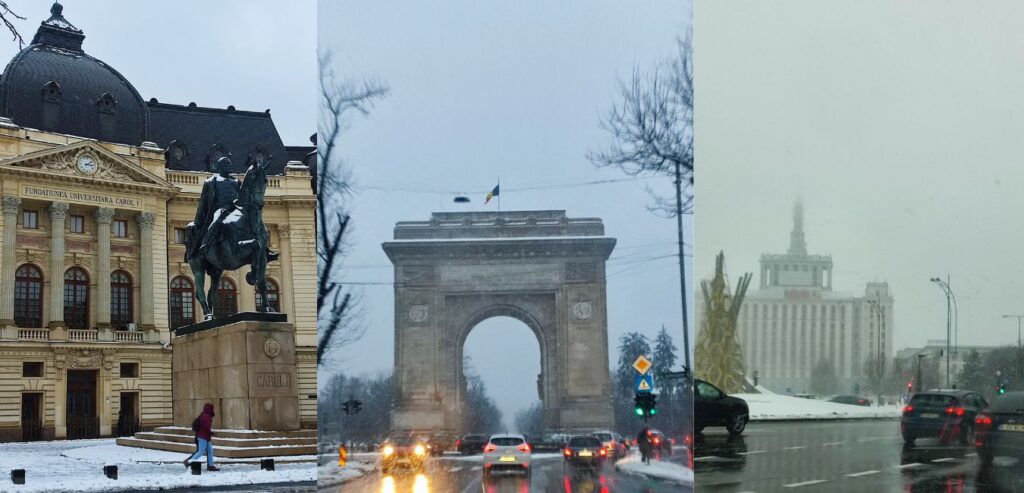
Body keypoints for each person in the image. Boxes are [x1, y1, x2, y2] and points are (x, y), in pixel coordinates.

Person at [184, 403, 219, 471]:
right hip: (203, 436)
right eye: (212, 408)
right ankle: (189, 462)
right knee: (201, 451)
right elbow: (206, 427)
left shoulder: (204, 415)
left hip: (205, 436)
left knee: (210, 450)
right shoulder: (206, 416)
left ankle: (211, 465)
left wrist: (209, 433)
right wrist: (210, 432)